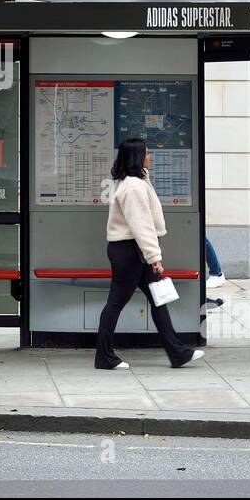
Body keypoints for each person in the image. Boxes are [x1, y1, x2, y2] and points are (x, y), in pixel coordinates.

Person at [96, 137, 205, 371]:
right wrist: (155, 257)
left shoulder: (135, 181)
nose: (150, 156)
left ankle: (177, 353)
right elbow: (141, 225)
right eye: (147, 152)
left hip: (133, 249)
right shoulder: (133, 187)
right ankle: (104, 356)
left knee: (158, 298)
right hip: (129, 250)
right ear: (137, 157)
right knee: (116, 302)